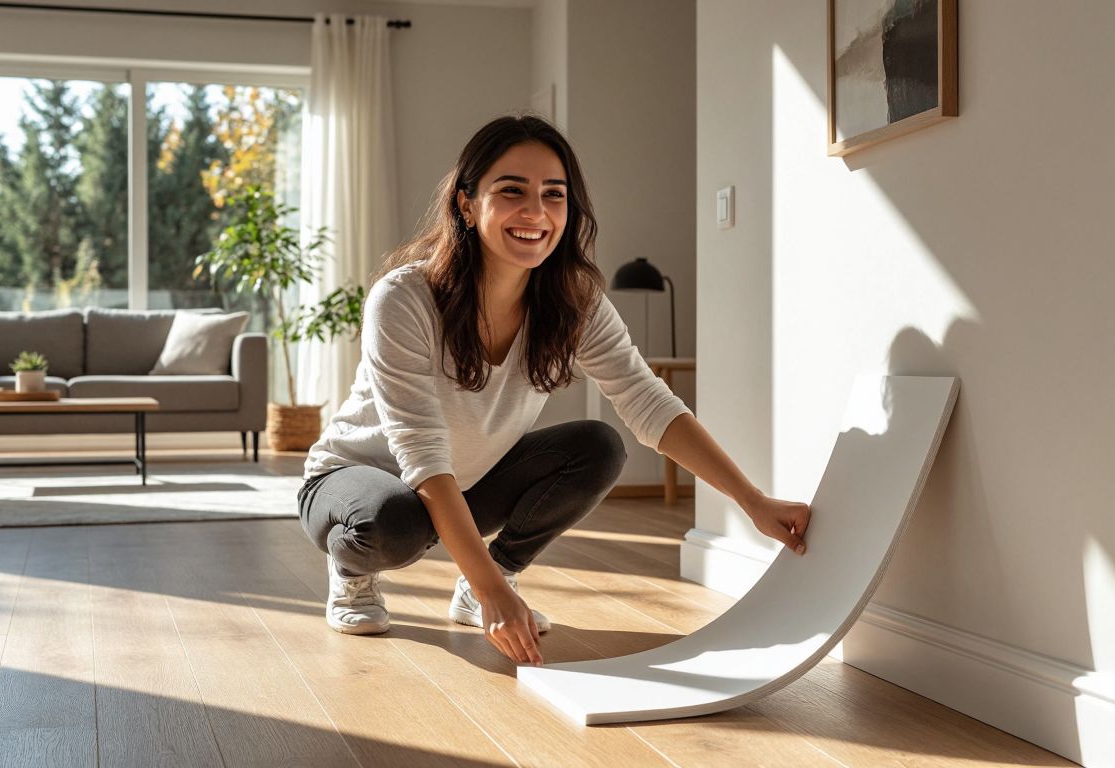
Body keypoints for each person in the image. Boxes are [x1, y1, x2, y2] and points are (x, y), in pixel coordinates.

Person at [298, 114, 811, 667]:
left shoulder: (574, 302)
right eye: (511, 191)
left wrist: (752, 502)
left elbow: (649, 402)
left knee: (597, 446)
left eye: (554, 195)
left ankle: (484, 585)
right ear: (466, 205)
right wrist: (496, 588)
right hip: (355, 488)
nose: (536, 213)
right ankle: (352, 572)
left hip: (463, 483)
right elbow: (420, 453)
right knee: (393, 520)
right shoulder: (405, 298)